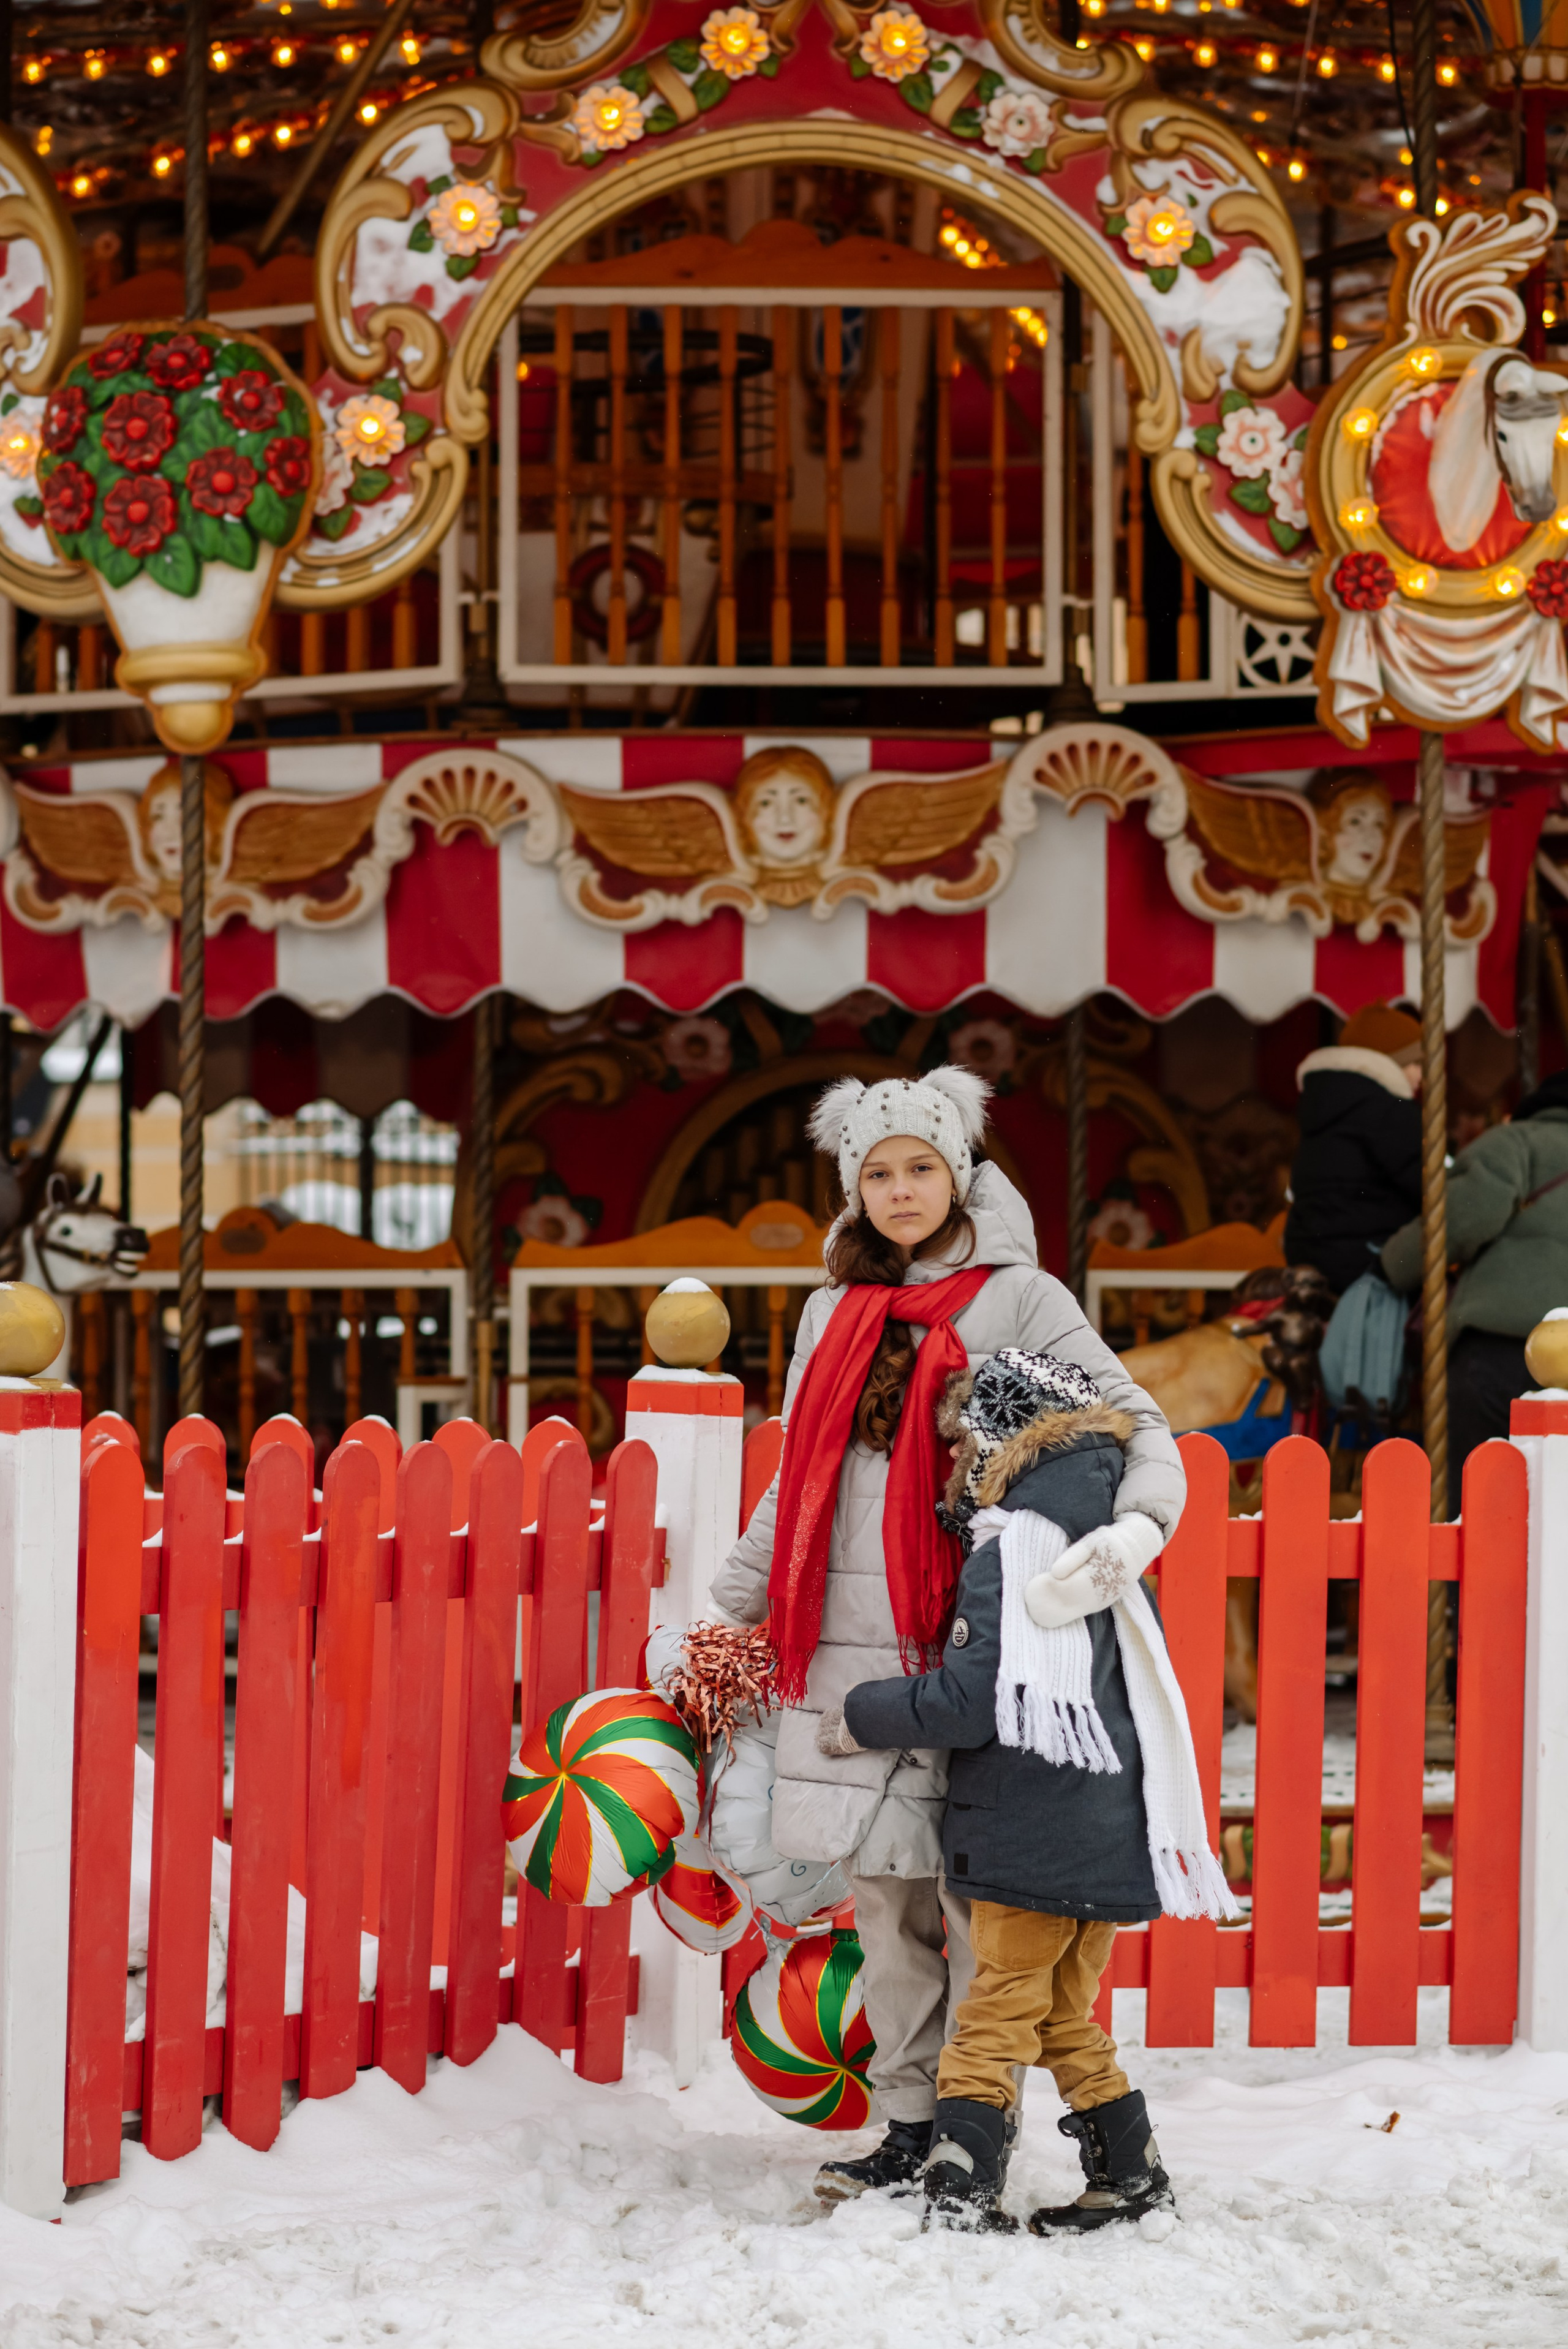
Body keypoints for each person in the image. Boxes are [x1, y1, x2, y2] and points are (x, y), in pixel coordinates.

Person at [706, 1068, 1185, 2204]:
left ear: (959, 1175)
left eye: (922, 1167)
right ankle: (909, 2124)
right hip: (854, 1641)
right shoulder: (830, 1311)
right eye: (879, 1173)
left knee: (980, 1902)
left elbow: (1134, 1419)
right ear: (852, 1188)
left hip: (973, 1645)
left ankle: (983, 2123)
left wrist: (1139, 1526)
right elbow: (802, 1479)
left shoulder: (1020, 1297)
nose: (902, 1189)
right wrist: (728, 1609)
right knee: (887, 1906)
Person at [816, 1347, 1230, 2233]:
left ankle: (960, 2190)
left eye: (967, 1442)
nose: (959, 1462)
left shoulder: (1014, 1550)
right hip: (1107, 1824)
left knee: (993, 2015)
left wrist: (860, 1712)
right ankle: (1131, 2173)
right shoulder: (1101, 1542)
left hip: (1029, 1828)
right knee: (1057, 2014)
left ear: (1006, 1440)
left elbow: (970, 1700)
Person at [1382, 1068, 1568, 1515]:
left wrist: (1392, 1263)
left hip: (1501, 1343)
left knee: (1479, 1502)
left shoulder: (1518, 1142)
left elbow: (1469, 1214)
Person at [1284, 1001, 1423, 1297]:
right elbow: (1426, 1184)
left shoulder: (1325, 1103)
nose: (1419, 1076)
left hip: (1311, 1251)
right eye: (1415, 1063)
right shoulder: (1388, 1110)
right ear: (1391, 1062)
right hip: (1366, 1259)